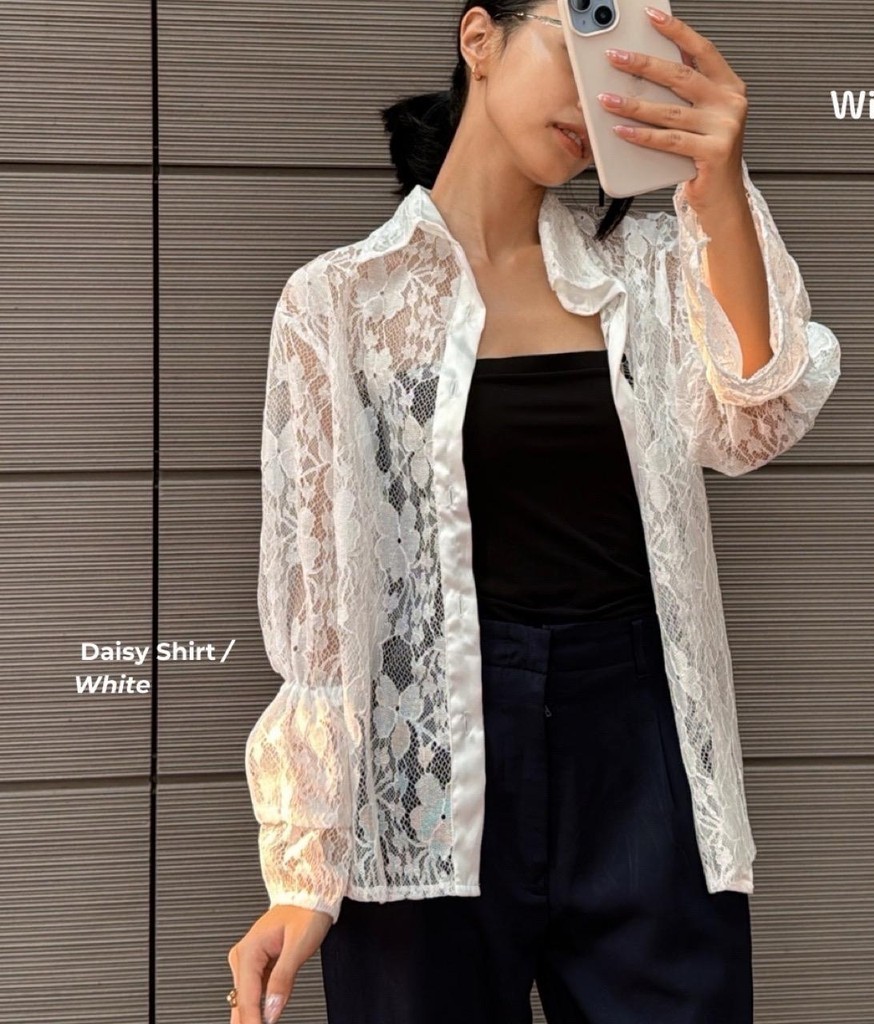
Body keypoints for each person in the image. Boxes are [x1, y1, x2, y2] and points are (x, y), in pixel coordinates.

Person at [226, 2, 841, 1022]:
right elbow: (321, 618)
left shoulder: (649, 269)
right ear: (480, 39)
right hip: (424, 762)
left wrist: (718, 187)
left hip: (643, 745)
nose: (599, 91)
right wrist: (303, 869)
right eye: (578, 39)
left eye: (631, 62)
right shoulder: (341, 300)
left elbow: (756, 421)